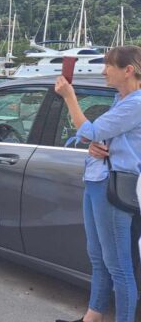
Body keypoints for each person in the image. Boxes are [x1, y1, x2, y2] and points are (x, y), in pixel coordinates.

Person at [54, 45, 141, 322]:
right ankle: (92, 317)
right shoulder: (121, 99)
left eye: (109, 65)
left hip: (113, 186)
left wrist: (70, 96)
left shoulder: (136, 103)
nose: (104, 71)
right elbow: (85, 136)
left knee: (119, 265)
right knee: (98, 257)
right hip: (96, 180)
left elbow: (90, 130)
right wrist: (92, 143)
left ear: (128, 70)